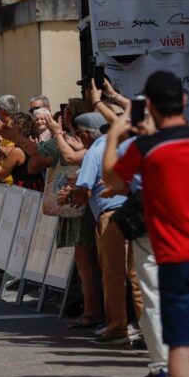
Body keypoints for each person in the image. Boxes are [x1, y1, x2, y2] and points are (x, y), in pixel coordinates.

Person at [104, 70, 189, 377]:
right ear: (185, 100)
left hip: (177, 255)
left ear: (149, 106)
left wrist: (115, 135)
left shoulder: (146, 148)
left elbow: (111, 178)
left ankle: (167, 372)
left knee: (179, 344)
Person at [59, 112, 142, 345]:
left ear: (85, 133)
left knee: (113, 275)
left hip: (112, 217)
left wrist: (69, 196)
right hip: (136, 213)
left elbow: (84, 193)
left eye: (76, 134)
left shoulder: (96, 151)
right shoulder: (128, 145)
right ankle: (146, 328)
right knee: (137, 275)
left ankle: (117, 328)